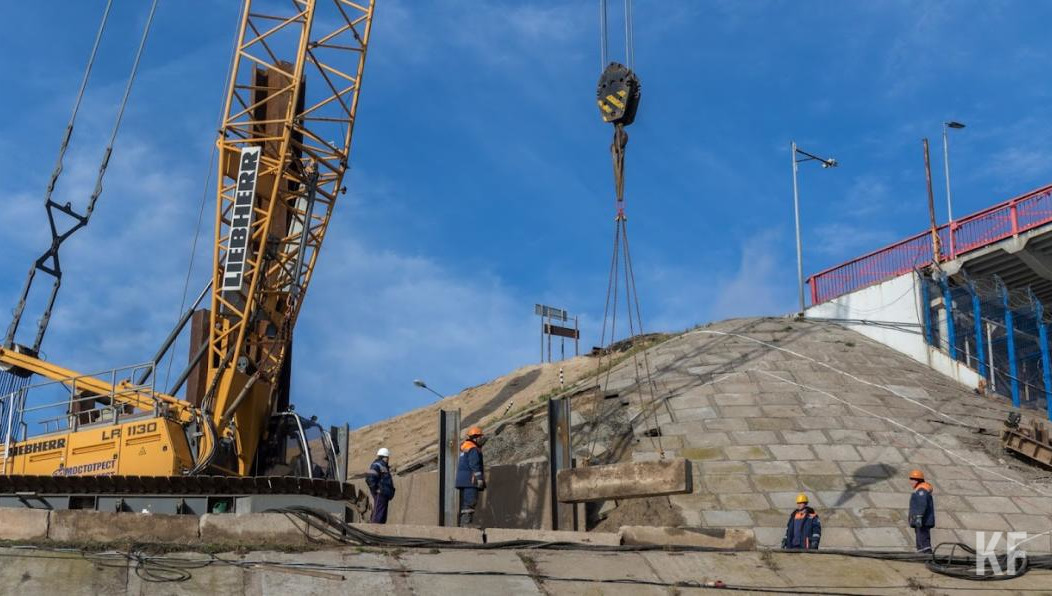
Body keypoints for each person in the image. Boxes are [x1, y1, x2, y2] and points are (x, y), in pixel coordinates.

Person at [456, 426, 486, 527]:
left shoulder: (465, 447)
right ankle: (466, 524)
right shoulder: (473, 449)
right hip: (471, 480)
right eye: (480, 437)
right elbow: (474, 464)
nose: (482, 440)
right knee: (470, 501)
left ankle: (463, 523)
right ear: (476, 437)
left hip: (462, 480)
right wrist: (480, 479)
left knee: (464, 502)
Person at [908, 469, 935, 553]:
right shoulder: (920, 489)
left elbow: (921, 504)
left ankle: (927, 555)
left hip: (923, 520)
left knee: (923, 539)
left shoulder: (921, 491)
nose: (911, 482)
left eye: (912, 480)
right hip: (920, 520)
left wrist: (919, 516)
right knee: (920, 539)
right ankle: (921, 555)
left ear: (917, 480)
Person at [365, 447, 395, 524]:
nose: (388, 459)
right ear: (384, 457)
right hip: (380, 494)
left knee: (382, 517)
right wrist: (376, 490)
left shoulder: (384, 466)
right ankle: (373, 532)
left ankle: (379, 532)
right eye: (387, 457)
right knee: (377, 516)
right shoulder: (376, 465)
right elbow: (370, 478)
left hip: (384, 494)